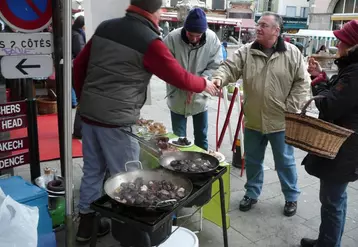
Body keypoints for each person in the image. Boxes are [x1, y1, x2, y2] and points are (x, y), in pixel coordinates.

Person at [73, 0, 218, 243]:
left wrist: (88, 101)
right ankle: (131, 235)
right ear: (153, 11)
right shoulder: (149, 41)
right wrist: (205, 84)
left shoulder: (105, 27)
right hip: (117, 122)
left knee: (92, 171)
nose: (161, 16)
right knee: (128, 176)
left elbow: (79, 66)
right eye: (161, 11)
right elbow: (179, 76)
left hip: (89, 116)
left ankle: (86, 226)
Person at [212, 12, 310, 216]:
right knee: (254, 161)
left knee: (285, 162)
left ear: (276, 30)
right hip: (253, 121)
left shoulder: (292, 53)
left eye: (264, 25)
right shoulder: (246, 51)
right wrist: (218, 80)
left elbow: (303, 83)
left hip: (280, 122)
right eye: (258, 25)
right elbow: (229, 68)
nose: (258, 28)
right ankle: (252, 193)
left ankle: (291, 197)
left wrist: (289, 108)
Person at [300, 20, 358, 247]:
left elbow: (330, 105)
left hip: (344, 146)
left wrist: (318, 85)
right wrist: (321, 77)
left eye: (341, 39)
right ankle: (326, 240)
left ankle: (328, 244)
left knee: (333, 200)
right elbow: (338, 95)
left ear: (351, 44)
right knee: (333, 199)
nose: (337, 43)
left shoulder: (355, 72)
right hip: (344, 143)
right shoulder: (351, 68)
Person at [163, 8, 222, 150]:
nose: (194, 39)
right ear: (185, 29)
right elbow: (165, 67)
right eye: (191, 35)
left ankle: (203, 167)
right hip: (177, 95)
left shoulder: (212, 38)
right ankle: (179, 167)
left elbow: (216, 65)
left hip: (200, 97)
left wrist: (200, 82)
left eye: (198, 35)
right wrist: (186, 84)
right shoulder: (171, 39)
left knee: (202, 136)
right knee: (178, 139)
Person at [72, 15, 86, 139]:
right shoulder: (77, 35)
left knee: (80, 99)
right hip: (77, 69)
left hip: (73, 68)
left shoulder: (73, 32)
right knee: (82, 100)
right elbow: (80, 53)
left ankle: (78, 129)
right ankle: (78, 130)